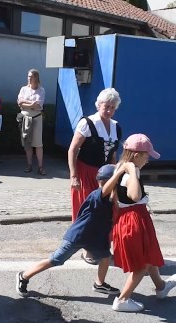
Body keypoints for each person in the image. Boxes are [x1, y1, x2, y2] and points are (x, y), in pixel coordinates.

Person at [15, 164, 123, 298]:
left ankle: (99, 284)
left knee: (105, 258)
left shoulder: (110, 198)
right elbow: (106, 191)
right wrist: (119, 173)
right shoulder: (98, 195)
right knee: (56, 259)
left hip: (96, 238)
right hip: (78, 235)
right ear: (111, 182)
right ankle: (24, 276)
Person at [111, 134, 176, 312]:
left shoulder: (119, 167)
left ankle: (161, 287)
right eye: (146, 156)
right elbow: (135, 196)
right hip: (134, 220)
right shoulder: (131, 171)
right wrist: (134, 172)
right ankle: (123, 300)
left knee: (149, 255)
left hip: (127, 218)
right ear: (136, 155)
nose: (148, 160)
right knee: (142, 264)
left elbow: (114, 196)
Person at [68, 88, 123, 264]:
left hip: (106, 175)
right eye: (106, 106)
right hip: (86, 172)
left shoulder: (116, 127)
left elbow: (113, 155)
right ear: (98, 105)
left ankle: (103, 248)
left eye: (112, 107)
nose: (109, 110)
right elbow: (73, 150)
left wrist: (116, 176)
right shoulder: (87, 123)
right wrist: (74, 176)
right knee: (89, 212)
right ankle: (88, 250)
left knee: (108, 212)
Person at [17, 69, 46, 175]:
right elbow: (20, 103)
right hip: (25, 119)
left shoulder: (41, 90)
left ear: (36, 77)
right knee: (27, 143)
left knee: (38, 144)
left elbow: (38, 105)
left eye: (31, 76)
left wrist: (25, 103)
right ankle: (29, 165)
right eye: (28, 76)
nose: (29, 78)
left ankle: (40, 166)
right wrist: (30, 104)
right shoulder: (24, 89)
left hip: (37, 118)